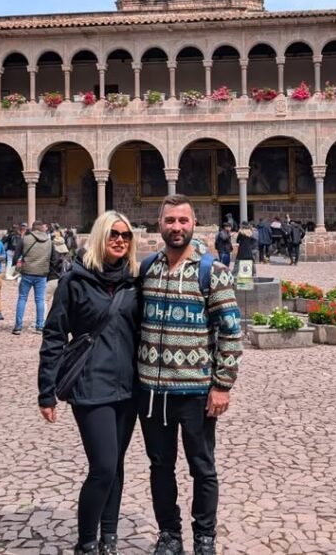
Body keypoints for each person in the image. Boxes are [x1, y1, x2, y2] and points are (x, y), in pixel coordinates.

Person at [138, 194, 242, 555]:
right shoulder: (147, 268)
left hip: (197, 391)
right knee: (160, 467)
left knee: (202, 466)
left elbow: (230, 330)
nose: (176, 227)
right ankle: (169, 534)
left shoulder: (211, 271)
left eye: (183, 220)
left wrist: (222, 385)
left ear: (194, 223)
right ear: (159, 224)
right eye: (170, 221)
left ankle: (204, 535)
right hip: (152, 390)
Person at [38, 211, 141, 555]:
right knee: (103, 466)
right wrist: (46, 391)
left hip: (128, 386)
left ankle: (108, 538)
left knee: (117, 466)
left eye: (126, 236)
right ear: (99, 236)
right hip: (90, 384)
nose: (120, 240)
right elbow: (54, 335)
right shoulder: (75, 281)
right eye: (113, 233)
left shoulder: (133, 280)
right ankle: (86, 542)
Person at [13, 220, 62, 335]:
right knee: (40, 300)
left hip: (27, 273)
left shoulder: (25, 239)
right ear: (42, 229)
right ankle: (40, 326)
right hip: (42, 274)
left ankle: (18, 327)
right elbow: (55, 260)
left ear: (32, 228)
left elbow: (16, 256)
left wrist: (19, 263)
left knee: (22, 298)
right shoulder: (49, 241)